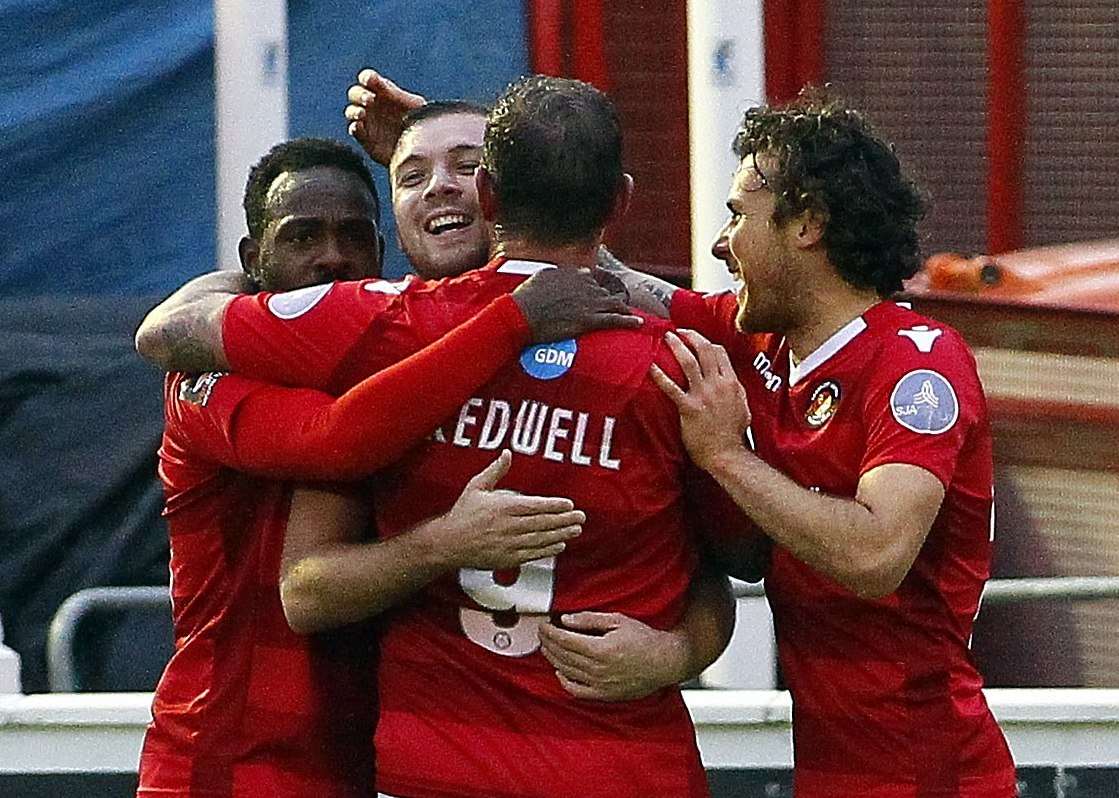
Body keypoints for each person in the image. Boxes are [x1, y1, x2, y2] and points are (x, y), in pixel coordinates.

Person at [149, 75, 723, 797]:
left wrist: (677, 651)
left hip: (385, 760)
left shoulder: (383, 338)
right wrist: (445, 540)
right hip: (239, 763)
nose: (330, 260)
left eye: (466, 171)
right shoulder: (329, 356)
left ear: (490, 197)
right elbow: (316, 542)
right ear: (251, 257)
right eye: (413, 175)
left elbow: (718, 562)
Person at [632, 91, 1016, 796]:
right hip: (832, 771)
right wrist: (481, 167)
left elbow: (875, 554)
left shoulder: (915, 363)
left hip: (929, 775)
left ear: (805, 223)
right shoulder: (764, 341)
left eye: (737, 216)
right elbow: (608, 285)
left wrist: (724, 455)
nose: (720, 243)